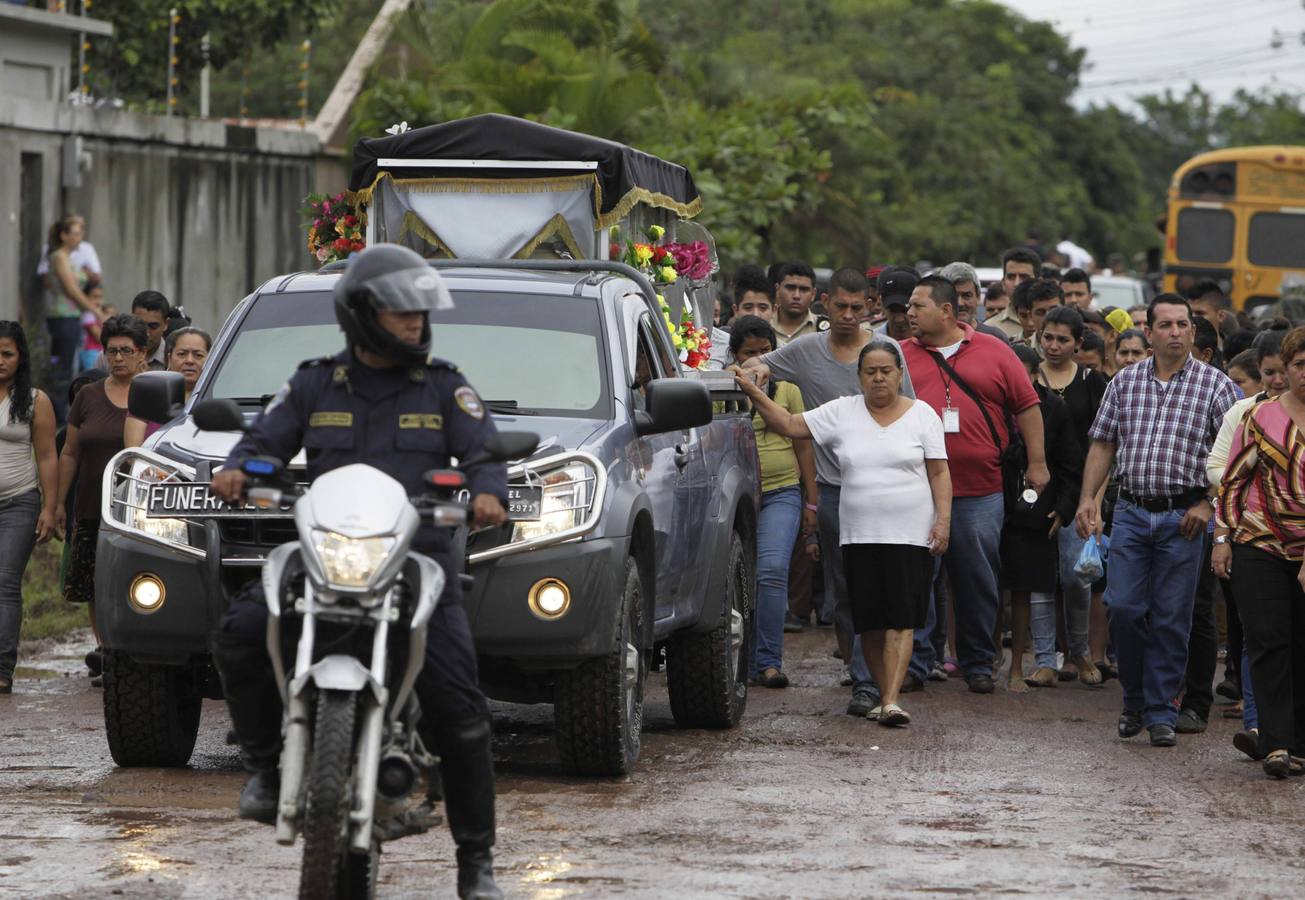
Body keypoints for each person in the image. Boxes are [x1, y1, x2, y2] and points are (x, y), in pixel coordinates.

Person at [208, 245, 508, 898]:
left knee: (461, 710)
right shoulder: (315, 383)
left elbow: (483, 452)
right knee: (241, 630)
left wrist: (488, 492)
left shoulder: (442, 385)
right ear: (363, 314)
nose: (416, 323)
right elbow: (263, 443)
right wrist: (238, 470)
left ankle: (475, 861)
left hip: (419, 564)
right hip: (325, 558)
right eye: (402, 312)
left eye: (420, 313)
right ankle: (264, 767)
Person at [737, 340, 950, 725]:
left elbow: (939, 471)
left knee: (902, 619)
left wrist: (943, 520)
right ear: (859, 378)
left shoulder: (923, 415)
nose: (879, 378)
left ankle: (890, 699)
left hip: (910, 534)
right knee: (867, 621)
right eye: (871, 372)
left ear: (901, 375)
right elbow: (788, 424)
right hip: (859, 535)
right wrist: (753, 391)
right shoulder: (842, 412)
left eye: (887, 370)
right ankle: (881, 694)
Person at [734, 268, 916, 717]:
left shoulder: (884, 353)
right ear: (824, 304)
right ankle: (862, 679)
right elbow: (764, 364)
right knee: (844, 589)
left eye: (858, 307)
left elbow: (911, 411)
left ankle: (883, 676)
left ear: (869, 306)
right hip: (836, 491)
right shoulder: (806, 350)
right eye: (841, 307)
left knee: (891, 586)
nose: (849, 315)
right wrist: (750, 371)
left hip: (890, 490)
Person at [1076, 294, 1239, 747]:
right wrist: (1087, 498)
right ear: (1149, 333)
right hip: (1130, 511)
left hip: (1184, 517)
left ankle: (1161, 708)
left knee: (1172, 618)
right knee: (1124, 608)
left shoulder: (1217, 386)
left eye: (1182, 324)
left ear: (1192, 330)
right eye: (1164, 325)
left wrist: (1208, 506)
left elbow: (1234, 457)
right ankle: (1133, 700)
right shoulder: (1124, 382)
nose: (1174, 332)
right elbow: (1103, 443)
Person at [901, 275, 1047, 694]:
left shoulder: (995, 351)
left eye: (917, 306)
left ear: (946, 311)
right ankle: (916, 662)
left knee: (978, 577)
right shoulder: (899, 355)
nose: (909, 313)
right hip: (917, 489)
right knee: (920, 578)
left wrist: (1038, 463)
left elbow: (1028, 406)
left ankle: (979, 662)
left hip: (979, 489)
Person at [1213, 325, 1305, 777]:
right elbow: (1233, 482)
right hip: (1259, 541)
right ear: (1285, 371)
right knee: (1268, 640)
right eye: (1299, 365)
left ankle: (1299, 742)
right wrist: (1223, 537)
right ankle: (1275, 743)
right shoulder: (1260, 417)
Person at [56, 314, 148, 673]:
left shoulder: (156, 394)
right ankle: (105, 652)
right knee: (96, 582)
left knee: (137, 578)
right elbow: (70, 452)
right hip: (93, 504)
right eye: (113, 351)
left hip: (141, 510)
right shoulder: (88, 396)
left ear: (143, 353)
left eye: (127, 350)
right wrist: (58, 504)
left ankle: (137, 650)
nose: (119, 358)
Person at [729, 316, 816, 687]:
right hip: (733, 499)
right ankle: (734, 661)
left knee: (772, 571)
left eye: (766, 352)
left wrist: (812, 501)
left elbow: (803, 445)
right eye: (750, 353)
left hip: (782, 491)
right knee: (736, 578)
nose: (758, 360)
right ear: (734, 356)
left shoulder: (788, 390)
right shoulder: (722, 391)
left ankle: (768, 662)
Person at [1003, 344, 1082, 691]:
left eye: (1022, 374)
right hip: (994, 501)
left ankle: (1018, 667)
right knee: (987, 585)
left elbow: (1070, 464)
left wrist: (1063, 510)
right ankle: (978, 661)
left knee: (1026, 588)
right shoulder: (993, 404)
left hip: (1037, 511)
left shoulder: (1053, 407)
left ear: (1035, 373)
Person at [1036, 305, 1108, 685]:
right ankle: (1046, 658)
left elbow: (1106, 443)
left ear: (1078, 344)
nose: (1053, 345)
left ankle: (1080, 656)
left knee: (1077, 576)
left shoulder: (1092, 381)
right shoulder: (1029, 377)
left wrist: (1094, 497)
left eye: (1063, 339)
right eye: (1048, 337)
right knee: (1039, 576)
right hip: (1036, 490)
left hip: (1081, 491)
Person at [0, 323, 60, 693]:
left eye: (7, 354)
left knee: (4, 583)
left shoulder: (35, 400)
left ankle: (2, 670)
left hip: (19, 502)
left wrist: (50, 507)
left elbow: (49, 456)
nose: (0, 361)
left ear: (20, 357)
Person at [44, 216, 103, 423]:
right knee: (63, 366)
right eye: (76, 233)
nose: (80, 237)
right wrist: (95, 311)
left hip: (71, 316)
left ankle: (61, 411)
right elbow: (71, 289)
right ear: (64, 235)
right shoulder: (59, 256)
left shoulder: (69, 257)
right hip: (62, 316)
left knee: (69, 365)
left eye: (81, 233)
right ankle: (58, 415)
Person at [124, 327, 211, 448]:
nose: (190, 360)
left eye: (198, 355)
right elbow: (133, 452)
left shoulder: (219, 399)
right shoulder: (149, 395)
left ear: (210, 360)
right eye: (182, 354)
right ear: (169, 359)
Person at [937, 262, 1007, 341]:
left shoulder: (996, 338)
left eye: (966, 296)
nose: (960, 303)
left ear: (978, 297)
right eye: (953, 297)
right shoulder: (930, 339)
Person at [989, 247, 1041, 342]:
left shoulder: (1055, 324)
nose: (1017, 283)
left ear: (1040, 282)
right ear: (1003, 284)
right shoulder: (990, 329)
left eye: (1024, 277)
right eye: (1011, 277)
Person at [772, 261, 826, 346]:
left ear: (813, 294)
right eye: (790, 288)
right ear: (778, 290)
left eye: (804, 289)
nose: (796, 296)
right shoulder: (764, 325)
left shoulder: (825, 329)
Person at [130, 291, 172, 371]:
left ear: (166, 324)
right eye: (140, 324)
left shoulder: (174, 360)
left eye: (153, 326)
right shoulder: (111, 354)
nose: (146, 333)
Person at [1014, 279, 1063, 347]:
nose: (1048, 318)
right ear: (1031, 315)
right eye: (1040, 313)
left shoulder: (1078, 347)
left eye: (1054, 311)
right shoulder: (1016, 350)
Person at [874, 266, 917, 343]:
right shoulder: (870, 341)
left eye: (905, 310)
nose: (899, 319)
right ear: (882, 304)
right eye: (892, 310)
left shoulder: (933, 341)